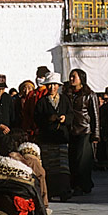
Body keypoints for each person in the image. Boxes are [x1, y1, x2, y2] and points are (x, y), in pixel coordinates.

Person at [34, 72, 74, 202]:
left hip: (61, 137)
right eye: (50, 85)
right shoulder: (41, 102)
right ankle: (50, 191)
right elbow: (37, 118)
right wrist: (48, 119)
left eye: (54, 85)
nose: (52, 88)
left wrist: (65, 119)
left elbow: (71, 115)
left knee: (62, 166)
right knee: (49, 166)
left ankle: (64, 191)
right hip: (47, 138)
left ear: (58, 86)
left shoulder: (65, 100)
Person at [64, 68, 100, 196]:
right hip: (70, 130)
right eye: (71, 76)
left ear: (81, 78)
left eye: (74, 76)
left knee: (82, 160)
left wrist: (96, 134)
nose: (71, 79)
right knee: (72, 159)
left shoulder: (90, 94)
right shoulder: (67, 93)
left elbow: (95, 115)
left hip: (84, 130)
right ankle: (80, 184)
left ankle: (81, 185)